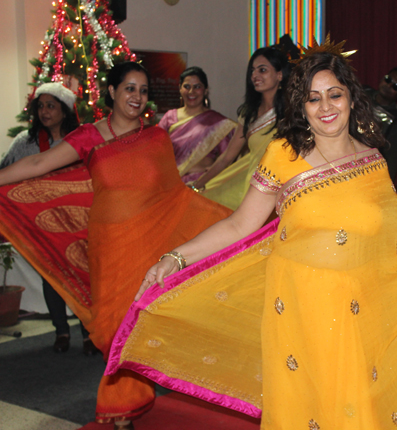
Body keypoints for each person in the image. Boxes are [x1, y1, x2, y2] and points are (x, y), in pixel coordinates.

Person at [106, 41, 397, 429]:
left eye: (334, 95)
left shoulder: (372, 161)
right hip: (296, 310)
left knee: (352, 412)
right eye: (313, 98)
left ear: (351, 99)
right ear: (301, 105)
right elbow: (239, 225)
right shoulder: (284, 155)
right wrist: (176, 258)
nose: (325, 107)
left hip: (356, 316)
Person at [0, 61, 232, 429]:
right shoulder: (89, 136)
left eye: (143, 90)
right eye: (129, 88)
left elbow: (175, 196)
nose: (137, 97)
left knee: (140, 325)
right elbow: (39, 163)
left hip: (151, 244)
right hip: (109, 247)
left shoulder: (156, 138)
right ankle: (128, 400)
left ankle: (122, 410)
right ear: (112, 91)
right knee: (113, 328)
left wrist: (224, 222)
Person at [0, 82, 99, 355]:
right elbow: (5, 172)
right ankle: (61, 332)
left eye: (51, 106)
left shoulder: (80, 140)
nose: (44, 111)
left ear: (64, 111)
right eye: (41, 106)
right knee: (51, 277)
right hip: (42, 225)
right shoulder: (25, 142)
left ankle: (89, 333)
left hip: (78, 223)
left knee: (84, 274)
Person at [189, 47, 291, 210]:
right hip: (254, 187)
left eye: (262, 70)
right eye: (252, 71)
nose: (255, 75)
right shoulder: (249, 114)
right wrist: (197, 185)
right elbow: (227, 157)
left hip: (285, 187)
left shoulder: (292, 112)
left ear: (279, 75)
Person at [158, 66, 237, 183]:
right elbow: (156, 152)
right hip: (173, 184)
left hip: (203, 184)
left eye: (197, 87)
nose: (191, 92)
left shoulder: (218, 123)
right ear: (180, 89)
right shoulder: (169, 118)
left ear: (205, 90)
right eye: (187, 86)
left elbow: (227, 159)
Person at [364, 67, 397, 185]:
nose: (388, 86)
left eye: (396, 86)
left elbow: (391, 160)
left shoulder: (396, 121)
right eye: (388, 80)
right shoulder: (360, 95)